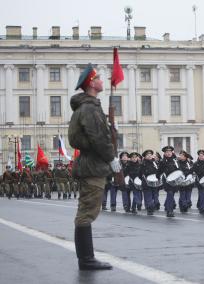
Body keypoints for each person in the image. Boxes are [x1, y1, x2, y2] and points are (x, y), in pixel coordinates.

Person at [68, 64, 121, 270]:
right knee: (87, 213)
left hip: (90, 165)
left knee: (87, 211)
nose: (102, 80)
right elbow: (98, 138)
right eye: (98, 77)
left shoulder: (89, 107)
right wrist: (111, 158)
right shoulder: (89, 108)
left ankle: (86, 258)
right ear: (91, 83)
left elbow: (95, 136)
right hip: (93, 167)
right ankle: (87, 260)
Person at [192, 149, 204, 214]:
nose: (201, 157)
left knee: (203, 194)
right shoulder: (196, 164)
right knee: (202, 194)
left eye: (202, 156)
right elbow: (192, 171)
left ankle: (199, 204)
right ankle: (203, 207)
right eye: (200, 155)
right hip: (199, 181)